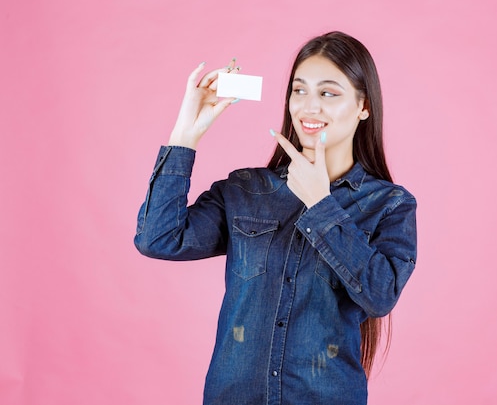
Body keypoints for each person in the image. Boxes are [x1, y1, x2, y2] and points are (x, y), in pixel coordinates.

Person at [134, 31, 417, 405]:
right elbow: (158, 238)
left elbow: (380, 296)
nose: (308, 107)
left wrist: (320, 204)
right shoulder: (245, 190)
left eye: (328, 93)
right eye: (299, 91)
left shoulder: (390, 205)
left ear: (364, 105)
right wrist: (186, 133)